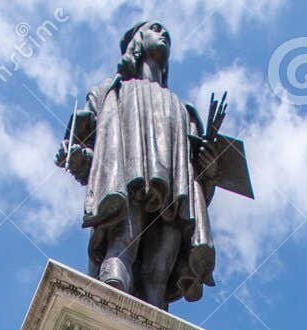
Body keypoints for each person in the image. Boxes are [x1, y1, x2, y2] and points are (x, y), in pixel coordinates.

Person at [57, 22, 220, 309]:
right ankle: (105, 319)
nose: (164, 34)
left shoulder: (185, 111)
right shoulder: (111, 92)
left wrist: (210, 169)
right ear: (137, 41)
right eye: (155, 29)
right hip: (126, 181)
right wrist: (77, 158)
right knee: (122, 245)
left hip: (174, 196)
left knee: (159, 272)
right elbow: (94, 163)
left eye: (167, 32)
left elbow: (198, 182)